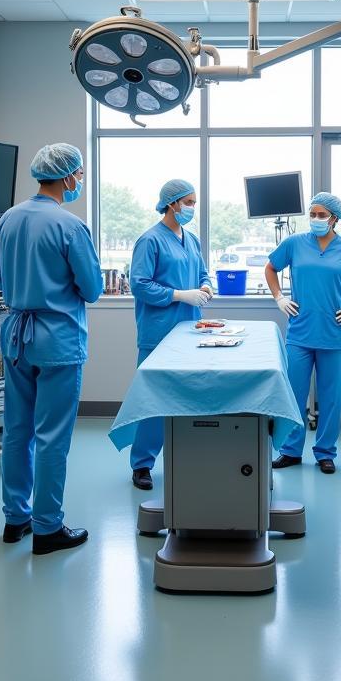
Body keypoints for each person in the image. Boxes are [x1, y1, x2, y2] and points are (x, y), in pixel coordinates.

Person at [0, 143, 103, 556]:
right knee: (52, 437)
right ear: (69, 176)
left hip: (17, 336)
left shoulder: (9, 218)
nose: (79, 182)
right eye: (79, 175)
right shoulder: (70, 226)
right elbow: (92, 289)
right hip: (58, 341)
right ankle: (48, 527)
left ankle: (14, 518)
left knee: (17, 431)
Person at [264, 192, 341, 474]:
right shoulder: (295, 244)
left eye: (322, 215)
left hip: (334, 334)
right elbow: (271, 268)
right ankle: (290, 450)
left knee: (331, 398)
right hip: (300, 332)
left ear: (335, 218)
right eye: (312, 214)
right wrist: (279, 298)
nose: (316, 219)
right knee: (293, 395)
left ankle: (325, 453)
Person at [127, 179, 213, 490]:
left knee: (189, 397)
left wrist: (205, 286)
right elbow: (139, 284)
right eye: (188, 202)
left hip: (190, 328)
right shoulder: (149, 241)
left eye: (193, 203)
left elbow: (203, 271)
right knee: (153, 400)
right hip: (159, 332)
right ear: (172, 203)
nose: (191, 208)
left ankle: (188, 458)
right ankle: (142, 465)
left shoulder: (191, 240)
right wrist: (178, 294)